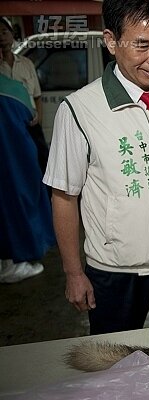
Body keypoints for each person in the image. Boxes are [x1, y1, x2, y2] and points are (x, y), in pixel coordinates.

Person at [43, 0, 149, 335]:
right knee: (113, 359)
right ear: (111, 41)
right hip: (115, 271)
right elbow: (64, 197)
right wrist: (74, 273)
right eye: (142, 45)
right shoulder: (80, 110)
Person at [0, 50, 55, 283]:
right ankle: (12, 262)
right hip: (14, 155)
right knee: (19, 198)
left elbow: (37, 100)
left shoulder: (25, 65)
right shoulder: (12, 91)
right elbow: (30, 114)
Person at [0, 16, 49, 177]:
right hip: (6, 127)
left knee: (40, 162)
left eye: (4, 32)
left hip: (29, 125)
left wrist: (38, 120)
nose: (1, 37)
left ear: (12, 34)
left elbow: (37, 96)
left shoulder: (26, 63)